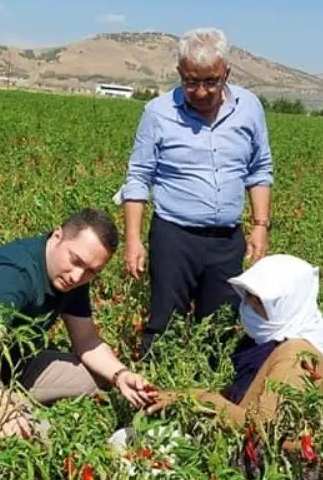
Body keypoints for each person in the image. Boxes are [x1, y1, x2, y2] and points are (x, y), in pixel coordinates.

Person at [0, 209, 158, 439]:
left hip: (15, 369)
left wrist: (120, 375)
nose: (77, 276)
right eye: (76, 261)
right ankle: (8, 410)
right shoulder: (14, 274)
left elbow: (86, 340)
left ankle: (17, 403)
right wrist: (0, 404)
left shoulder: (71, 278)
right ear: (57, 236)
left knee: (100, 378)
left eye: (91, 272)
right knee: (41, 433)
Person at [116, 27, 274, 355]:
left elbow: (260, 170)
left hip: (227, 241)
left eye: (210, 82)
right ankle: (153, 395)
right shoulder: (158, 113)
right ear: (179, 74)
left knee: (220, 330)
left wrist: (260, 226)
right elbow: (138, 177)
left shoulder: (250, 108)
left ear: (226, 73)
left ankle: (211, 399)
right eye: (191, 82)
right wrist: (133, 239)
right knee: (164, 326)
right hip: (174, 237)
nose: (201, 92)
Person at [148, 255, 323, 428]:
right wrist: (183, 396)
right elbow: (240, 398)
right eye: (248, 297)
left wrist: (202, 400)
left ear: (288, 305)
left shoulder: (296, 357)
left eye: (259, 301)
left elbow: (265, 427)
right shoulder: (269, 341)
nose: (248, 306)